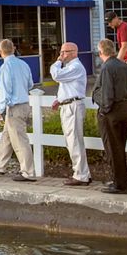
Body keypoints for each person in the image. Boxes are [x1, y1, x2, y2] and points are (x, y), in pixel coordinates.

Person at [92, 39, 127, 194]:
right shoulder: (123, 65)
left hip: (112, 110)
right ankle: (120, 181)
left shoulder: (107, 67)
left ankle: (120, 184)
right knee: (119, 147)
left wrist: (104, 109)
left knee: (112, 148)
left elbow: (107, 93)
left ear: (101, 52)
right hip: (124, 107)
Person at [0, 39, 35, 181]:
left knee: (20, 140)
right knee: (7, 136)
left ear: (0, 51)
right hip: (24, 104)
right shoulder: (23, 64)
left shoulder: (6, 67)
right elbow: (30, 84)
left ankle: (28, 172)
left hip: (14, 106)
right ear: (14, 49)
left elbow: (5, 90)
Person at [50, 42, 91, 186]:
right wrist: (58, 100)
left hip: (73, 106)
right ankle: (83, 172)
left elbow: (56, 75)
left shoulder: (76, 67)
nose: (61, 55)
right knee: (71, 141)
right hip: (67, 105)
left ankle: (80, 174)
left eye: (64, 52)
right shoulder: (70, 68)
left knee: (74, 141)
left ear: (74, 52)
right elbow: (67, 87)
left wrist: (57, 62)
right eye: (61, 52)